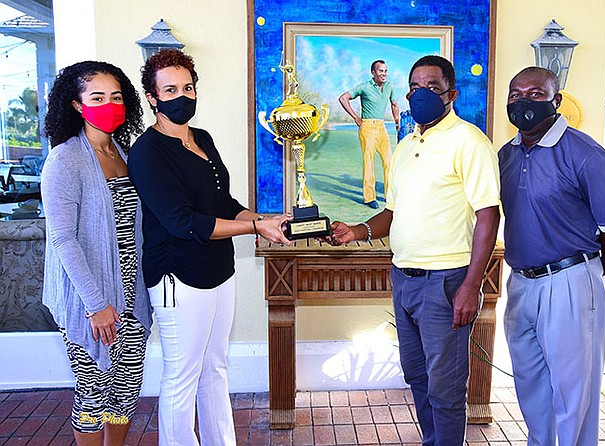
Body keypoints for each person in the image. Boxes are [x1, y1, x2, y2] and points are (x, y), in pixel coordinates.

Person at [329, 55, 500, 446]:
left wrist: (471, 288)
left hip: (446, 284)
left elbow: (489, 216)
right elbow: (393, 211)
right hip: (404, 279)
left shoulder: (470, 142)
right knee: (418, 377)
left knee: (446, 389)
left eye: (433, 87)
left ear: (451, 94)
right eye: (416, 87)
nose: (422, 94)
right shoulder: (406, 145)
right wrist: (356, 231)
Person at [127, 49, 291, 446]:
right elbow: (182, 221)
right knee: (182, 376)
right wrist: (251, 226)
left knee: (215, 368)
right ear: (152, 97)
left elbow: (223, 203)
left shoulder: (203, 139)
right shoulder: (146, 152)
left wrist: (263, 219)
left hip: (219, 269)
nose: (181, 96)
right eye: (169, 89)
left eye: (187, 87)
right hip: (177, 275)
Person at [499, 66, 605, 446]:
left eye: (535, 94)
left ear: (556, 102)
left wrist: (597, 278)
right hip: (522, 285)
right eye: (515, 94)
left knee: (574, 397)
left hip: (571, 281)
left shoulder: (586, 154)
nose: (523, 101)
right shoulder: (506, 156)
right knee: (531, 388)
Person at [41, 61, 152, 445]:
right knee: (92, 393)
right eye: (98, 97)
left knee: (125, 391)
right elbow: (63, 240)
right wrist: (96, 303)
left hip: (132, 297)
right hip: (89, 301)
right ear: (76, 105)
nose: (109, 104)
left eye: (116, 97)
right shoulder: (64, 160)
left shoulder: (126, 153)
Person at [339, 59, 400, 209]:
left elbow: (394, 104)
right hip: (367, 126)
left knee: (389, 162)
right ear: (373, 72)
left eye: (385, 71)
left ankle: (389, 196)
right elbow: (343, 98)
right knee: (369, 161)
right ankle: (369, 197)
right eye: (381, 71)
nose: (384, 74)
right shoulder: (364, 87)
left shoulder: (390, 86)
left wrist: (397, 121)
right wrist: (355, 118)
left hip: (382, 126)